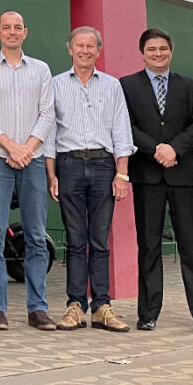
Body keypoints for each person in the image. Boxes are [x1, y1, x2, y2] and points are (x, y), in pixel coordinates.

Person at [118, 28, 193, 333]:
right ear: (142, 53)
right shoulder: (127, 85)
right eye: (152, 49)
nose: (158, 54)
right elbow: (125, 125)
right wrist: (155, 149)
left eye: (163, 49)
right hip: (147, 175)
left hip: (182, 174)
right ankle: (148, 313)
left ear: (171, 51)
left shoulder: (187, 85)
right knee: (149, 246)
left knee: (191, 246)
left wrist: (175, 148)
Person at [47, 26, 135, 333]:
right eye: (79, 45)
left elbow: (121, 130)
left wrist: (122, 173)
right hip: (68, 164)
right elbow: (49, 132)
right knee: (75, 240)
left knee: (99, 240)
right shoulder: (55, 84)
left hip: (103, 166)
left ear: (98, 50)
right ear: (70, 49)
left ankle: (101, 307)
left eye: (90, 46)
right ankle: (75, 306)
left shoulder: (111, 86)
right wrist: (51, 174)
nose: (85, 51)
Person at [0, 11, 56, 332]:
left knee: (36, 235)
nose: (11, 32)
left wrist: (27, 149)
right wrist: (11, 147)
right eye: (6, 28)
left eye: (17, 27)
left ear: (25, 32)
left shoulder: (41, 69)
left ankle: (38, 309)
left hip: (32, 159)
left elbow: (47, 114)